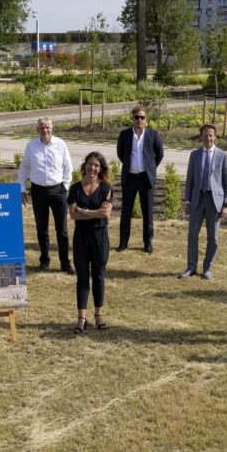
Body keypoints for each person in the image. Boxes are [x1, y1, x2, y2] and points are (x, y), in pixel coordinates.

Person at [19, 117, 74, 273]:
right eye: (42, 128)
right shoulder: (31, 146)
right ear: (37, 129)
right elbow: (24, 168)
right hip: (38, 191)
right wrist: (22, 189)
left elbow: (68, 168)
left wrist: (65, 187)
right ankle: (44, 260)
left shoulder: (61, 144)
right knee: (41, 228)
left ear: (52, 128)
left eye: (47, 127)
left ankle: (65, 263)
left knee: (61, 229)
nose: (45, 130)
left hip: (58, 191)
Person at [68, 151, 114, 333]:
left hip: (100, 237)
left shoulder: (106, 187)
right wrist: (92, 211)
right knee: (82, 278)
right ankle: (81, 319)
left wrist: (84, 212)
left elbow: (106, 213)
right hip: (80, 237)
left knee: (99, 276)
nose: (92, 168)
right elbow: (72, 214)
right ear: (84, 166)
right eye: (90, 164)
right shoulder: (75, 188)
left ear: (101, 168)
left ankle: (99, 315)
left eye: (96, 165)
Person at [180, 124, 227, 279]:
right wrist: (187, 200)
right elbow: (189, 180)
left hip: (214, 201)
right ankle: (191, 267)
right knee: (192, 234)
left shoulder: (223, 156)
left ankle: (207, 268)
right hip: (197, 199)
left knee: (213, 237)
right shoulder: (194, 155)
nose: (208, 138)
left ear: (215, 137)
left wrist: (226, 204)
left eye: (211, 135)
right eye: (205, 135)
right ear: (200, 137)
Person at [115, 104, 164, 253]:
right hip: (129, 178)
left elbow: (159, 154)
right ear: (132, 118)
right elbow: (120, 153)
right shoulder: (124, 135)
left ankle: (147, 243)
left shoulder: (153, 135)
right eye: (137, 117)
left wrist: (150, 168)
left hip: (145, 178)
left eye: (142, 117)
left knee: (147, 212)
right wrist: (130, 165)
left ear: (146, 119)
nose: (139, 120)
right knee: (126, 211)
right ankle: (123, 242)